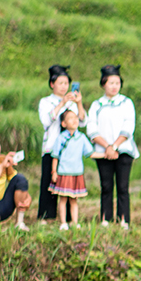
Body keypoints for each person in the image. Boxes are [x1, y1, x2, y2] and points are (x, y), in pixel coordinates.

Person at [86, 65, 137, 227]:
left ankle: (124, 220)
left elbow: (129, 126)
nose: (114, 86)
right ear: (103, 84)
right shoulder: (97, 105)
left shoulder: (126, 103)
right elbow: (91, 128)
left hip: (123, 150)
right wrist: (107, 147)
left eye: (117, 82)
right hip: (103, 151)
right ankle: (105, 219)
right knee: (106, 186)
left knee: (123, 186)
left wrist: (114, 146)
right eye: (111, 83)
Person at [37, 65, 83, 224]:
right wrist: (62, 103)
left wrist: (79, 103)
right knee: (48, 183)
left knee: (68, 184)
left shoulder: (73, 103)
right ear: (52, 84)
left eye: (66, 83)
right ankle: (46, 216)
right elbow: (46, 121)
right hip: (51, 147)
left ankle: (69, 218)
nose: (64, 86)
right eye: (60, 83)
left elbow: (83, 121)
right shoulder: (46, 101)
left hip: (70, 151)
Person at [48, 105, 91, 230]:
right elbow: (55, 156)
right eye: (70, 118)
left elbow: (90, 152)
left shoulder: (81, 137)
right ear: (63, 123)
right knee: (63, 199)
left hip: (77, 172)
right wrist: (54, 171)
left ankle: (74, 221)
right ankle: (63, 222)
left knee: (74, 200)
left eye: (76, 117)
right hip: (63, 172)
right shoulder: (61, 138)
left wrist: (106, 154)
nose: (75, 120)